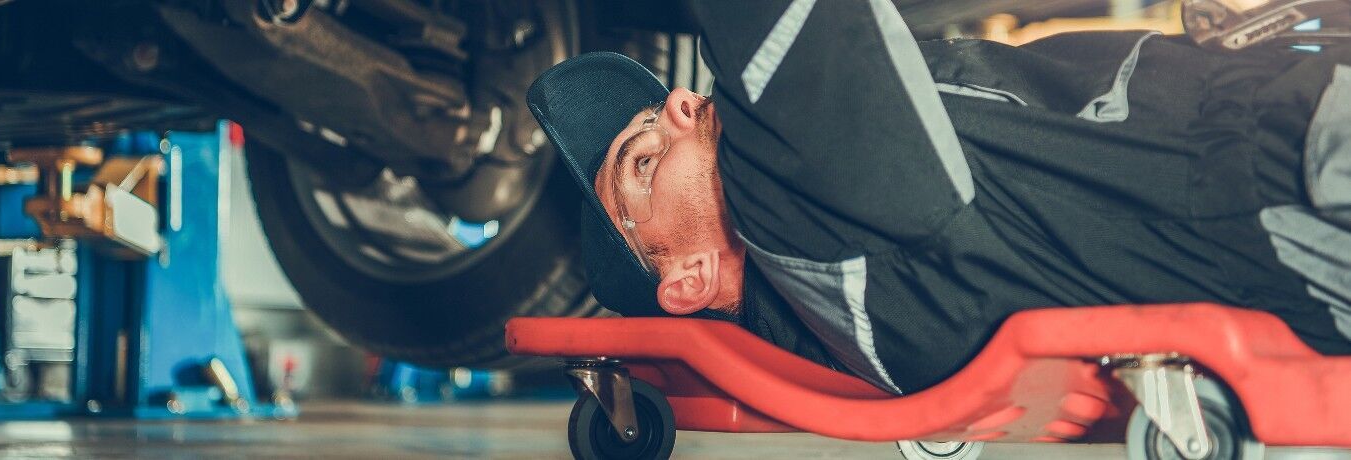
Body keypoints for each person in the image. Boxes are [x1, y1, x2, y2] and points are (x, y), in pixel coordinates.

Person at [526, 0, 1351, 394]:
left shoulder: (845, 229)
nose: (677, 105)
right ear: (690, 279)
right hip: (1302, 165)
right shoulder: (804, 220)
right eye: (644, 160)